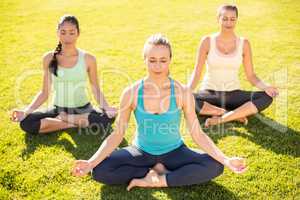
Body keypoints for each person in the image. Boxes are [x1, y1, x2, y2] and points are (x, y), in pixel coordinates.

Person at [72, 34, 247, 191]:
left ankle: (157, 180)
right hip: (141, 152)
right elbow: (117, 134)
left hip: (175, 151)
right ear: (145, 60)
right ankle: (156, 171)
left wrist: (225, 159)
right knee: (100, 170)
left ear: (170, 60)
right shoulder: (131, 92)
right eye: (152, 60)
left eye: (163, 60)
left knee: (215, 165)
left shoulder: (182, 92)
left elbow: (197, 133)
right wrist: (91, 162)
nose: (157, 66)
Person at [11, 15, 117, 134]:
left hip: (83, 109)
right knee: (26, 122)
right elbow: (44, 92)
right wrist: (25, 112)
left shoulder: (89, 59)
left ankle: (64, 120)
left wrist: (107, 108)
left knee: (109, 118)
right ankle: (72, 123)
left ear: (78, 33)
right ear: (57, 33)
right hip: (58, 109)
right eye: (63, 32)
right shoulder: (48, 58)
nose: (67, 37)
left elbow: (95, 88)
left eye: (72, 32)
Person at [188, 4, 278, 127]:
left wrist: (266, 87)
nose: (228, 23)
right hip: (210, 93)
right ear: (218, 19)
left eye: (232, 19)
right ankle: (232, 114)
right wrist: (187, 90)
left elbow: (251, 75)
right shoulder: (207, 41)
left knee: (266, 97)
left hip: (234, 94)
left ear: (236, 20)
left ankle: (220, 119)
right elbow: (197, 72)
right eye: (225, 18)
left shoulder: (244, 43)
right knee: (189, 98)